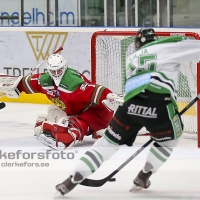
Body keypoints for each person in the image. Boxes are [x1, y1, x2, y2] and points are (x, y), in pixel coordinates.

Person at [55, 28, 200, 195]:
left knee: (106, 144)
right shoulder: (167, 45)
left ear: (137, 45)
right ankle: (145, 173)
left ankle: (73, 178)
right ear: (155, 39)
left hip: (130, 106)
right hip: (158, 105)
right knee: (169, 139)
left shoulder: (132, 58)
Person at [0, 54, 116, 150]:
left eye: (58, 70)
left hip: (89, 110)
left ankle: (70, 132)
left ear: (64, 67)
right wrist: (9, 84)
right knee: (53, 110)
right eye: (53, 71)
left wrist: (111, 96)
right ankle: (48, 124)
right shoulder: (45, 80)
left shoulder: (73, 82)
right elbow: (25, 83)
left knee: (74, 124)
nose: (56, 74)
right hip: (69, 111)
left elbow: (97, 91)